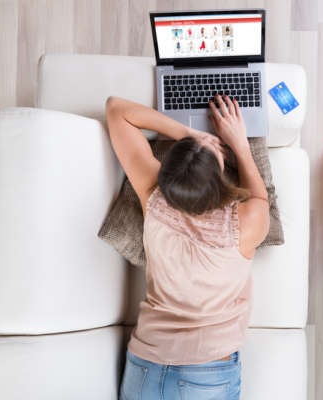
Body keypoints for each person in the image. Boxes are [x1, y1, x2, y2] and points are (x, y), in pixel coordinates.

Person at [105, 94, 269, 400]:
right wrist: (239, 145)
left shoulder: (152, 195)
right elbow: (260, 198)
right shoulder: (245, 224)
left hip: (145, 366)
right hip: (205, 373)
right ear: (219, 182)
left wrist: (187, 134)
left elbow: (116, 110)